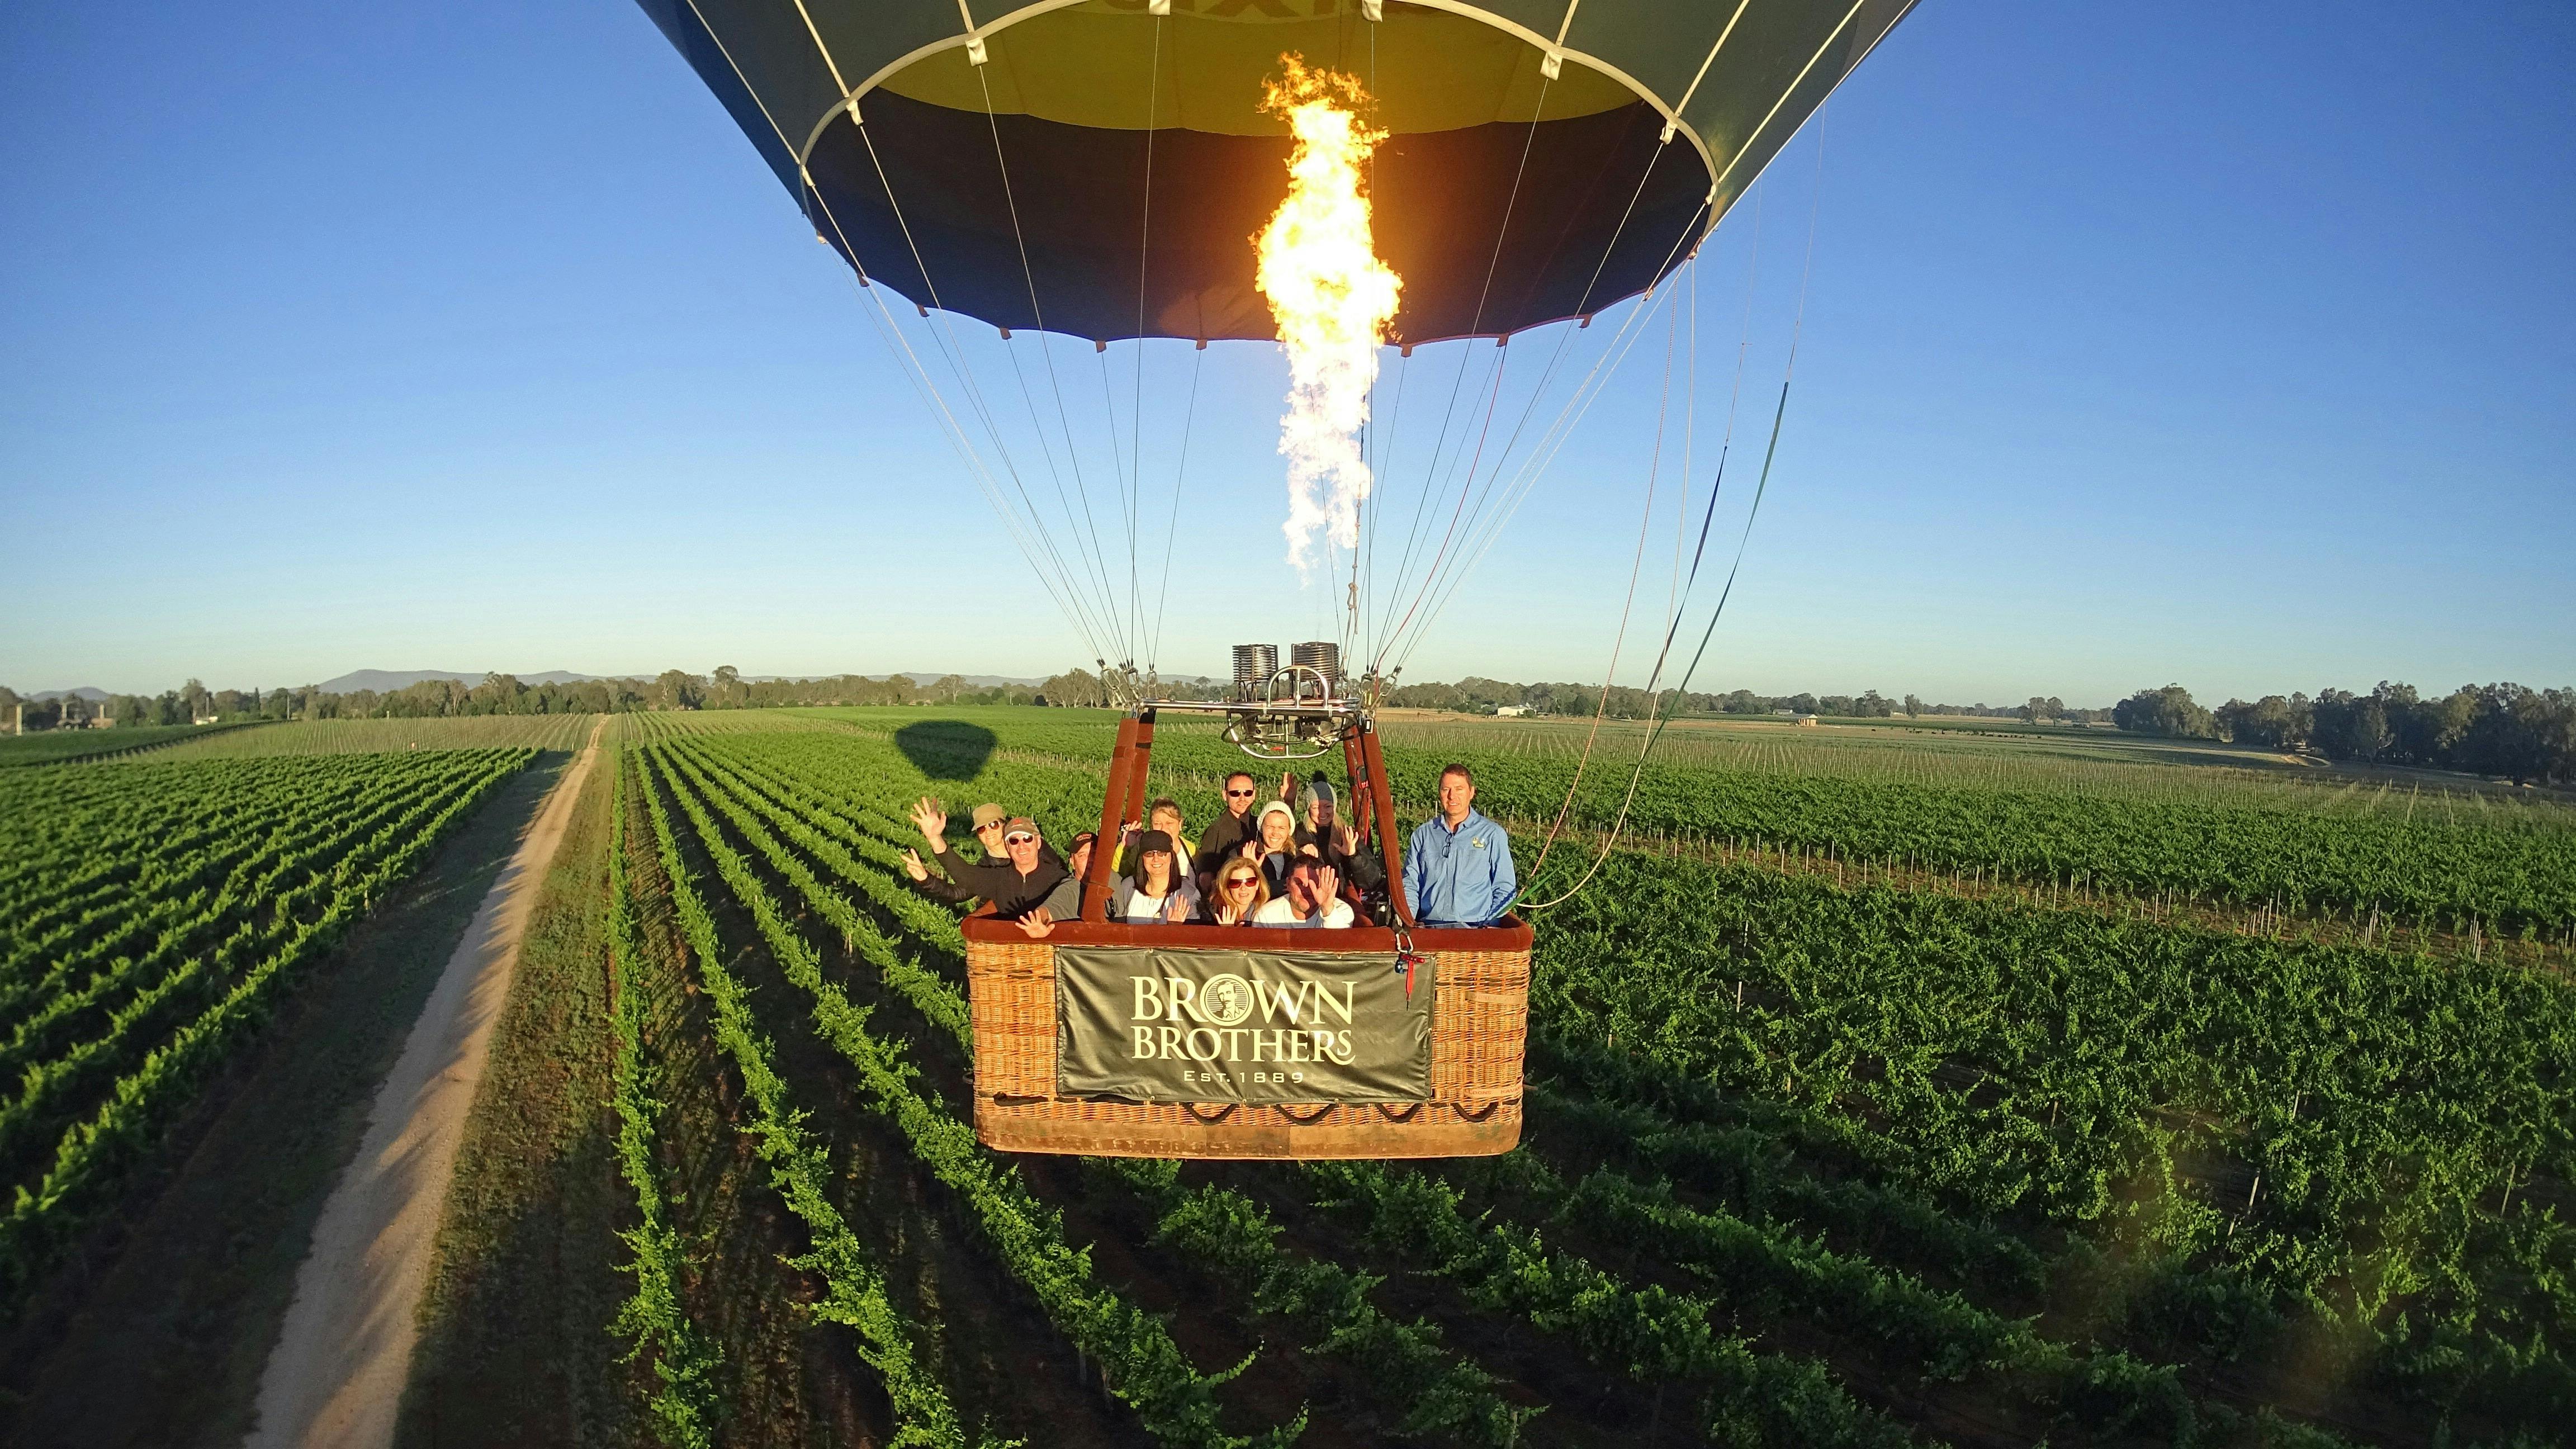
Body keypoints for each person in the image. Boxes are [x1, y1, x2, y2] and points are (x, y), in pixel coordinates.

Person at [910, 799, 1066, 920]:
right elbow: (959, 891)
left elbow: (1060, 873)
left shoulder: (1030, 846)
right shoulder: (989, 871)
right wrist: (927, 879)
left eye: (993, 824)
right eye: (982, 828)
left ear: (1005, 825)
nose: (989, 831)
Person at [1403, 764, 1515, 926]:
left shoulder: (1492, 834)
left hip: (1474, 930)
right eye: (1446, 789)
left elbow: (1504, 887)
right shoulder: (1423, 834)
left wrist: (1488, 925)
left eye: (1459, 789)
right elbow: (1411, 883)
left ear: (1472, 792)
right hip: (1430, 929)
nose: (1452, 796)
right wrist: (1409, 921)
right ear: (1439, 793)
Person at [1106, 829, 1197, 924]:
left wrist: (1174, 930)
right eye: (1149, 854)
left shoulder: (1189, 894)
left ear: (1171, 857)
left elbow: (1196, 936)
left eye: (1162, 853)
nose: (1156, 858)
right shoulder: (1128, 887)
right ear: (1142, 858)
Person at [1018, 830, 1097, 937]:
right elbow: (1049, 909)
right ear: (1072, 862)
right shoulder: (1070, 889)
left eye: (1094, 854)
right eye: (1082, 856)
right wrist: (1039, 921)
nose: (1090, 860)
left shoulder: (1117, 880)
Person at [1191, 770, 1265, 881]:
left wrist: (1290, 803)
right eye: (1235, 793)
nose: (1242, 798)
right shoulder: (1216, 830)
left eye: (1247, 793)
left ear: (1254, 795)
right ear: (1225, 795)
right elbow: (1206, 878)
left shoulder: (1260, 825)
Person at [1252, 857, 1353, 929]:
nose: (1307, 890)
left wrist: (1327, 909)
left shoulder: (1342, 911)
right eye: (1299, 883)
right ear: (1288, 884)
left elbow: (1338, 951)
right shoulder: (1267, 915)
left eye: (1314, 884)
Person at [1110, 797, 1194, 874]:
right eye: (1158, 824)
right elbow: (1115, 873)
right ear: (1151, 826)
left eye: (1169, 823)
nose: (1164, 829)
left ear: (1180, 824)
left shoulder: (1192, 851)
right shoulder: (1140, 850)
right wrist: (1125, 846)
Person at [1195, 856, 1270, 925]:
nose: (1243, 888)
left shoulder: (1269, 914)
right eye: (1236, 883)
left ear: (1257, 884)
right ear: (1227, 886)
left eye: (1250, 882)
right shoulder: (1211, 913)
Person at [1248, 799, 1301, 895]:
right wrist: (1251, 869)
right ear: (1261, 828)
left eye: (1281, 828)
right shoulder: (1244, 854)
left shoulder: (1297, 859)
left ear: (1289, 830)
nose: (1275, 833)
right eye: (1270, 827)